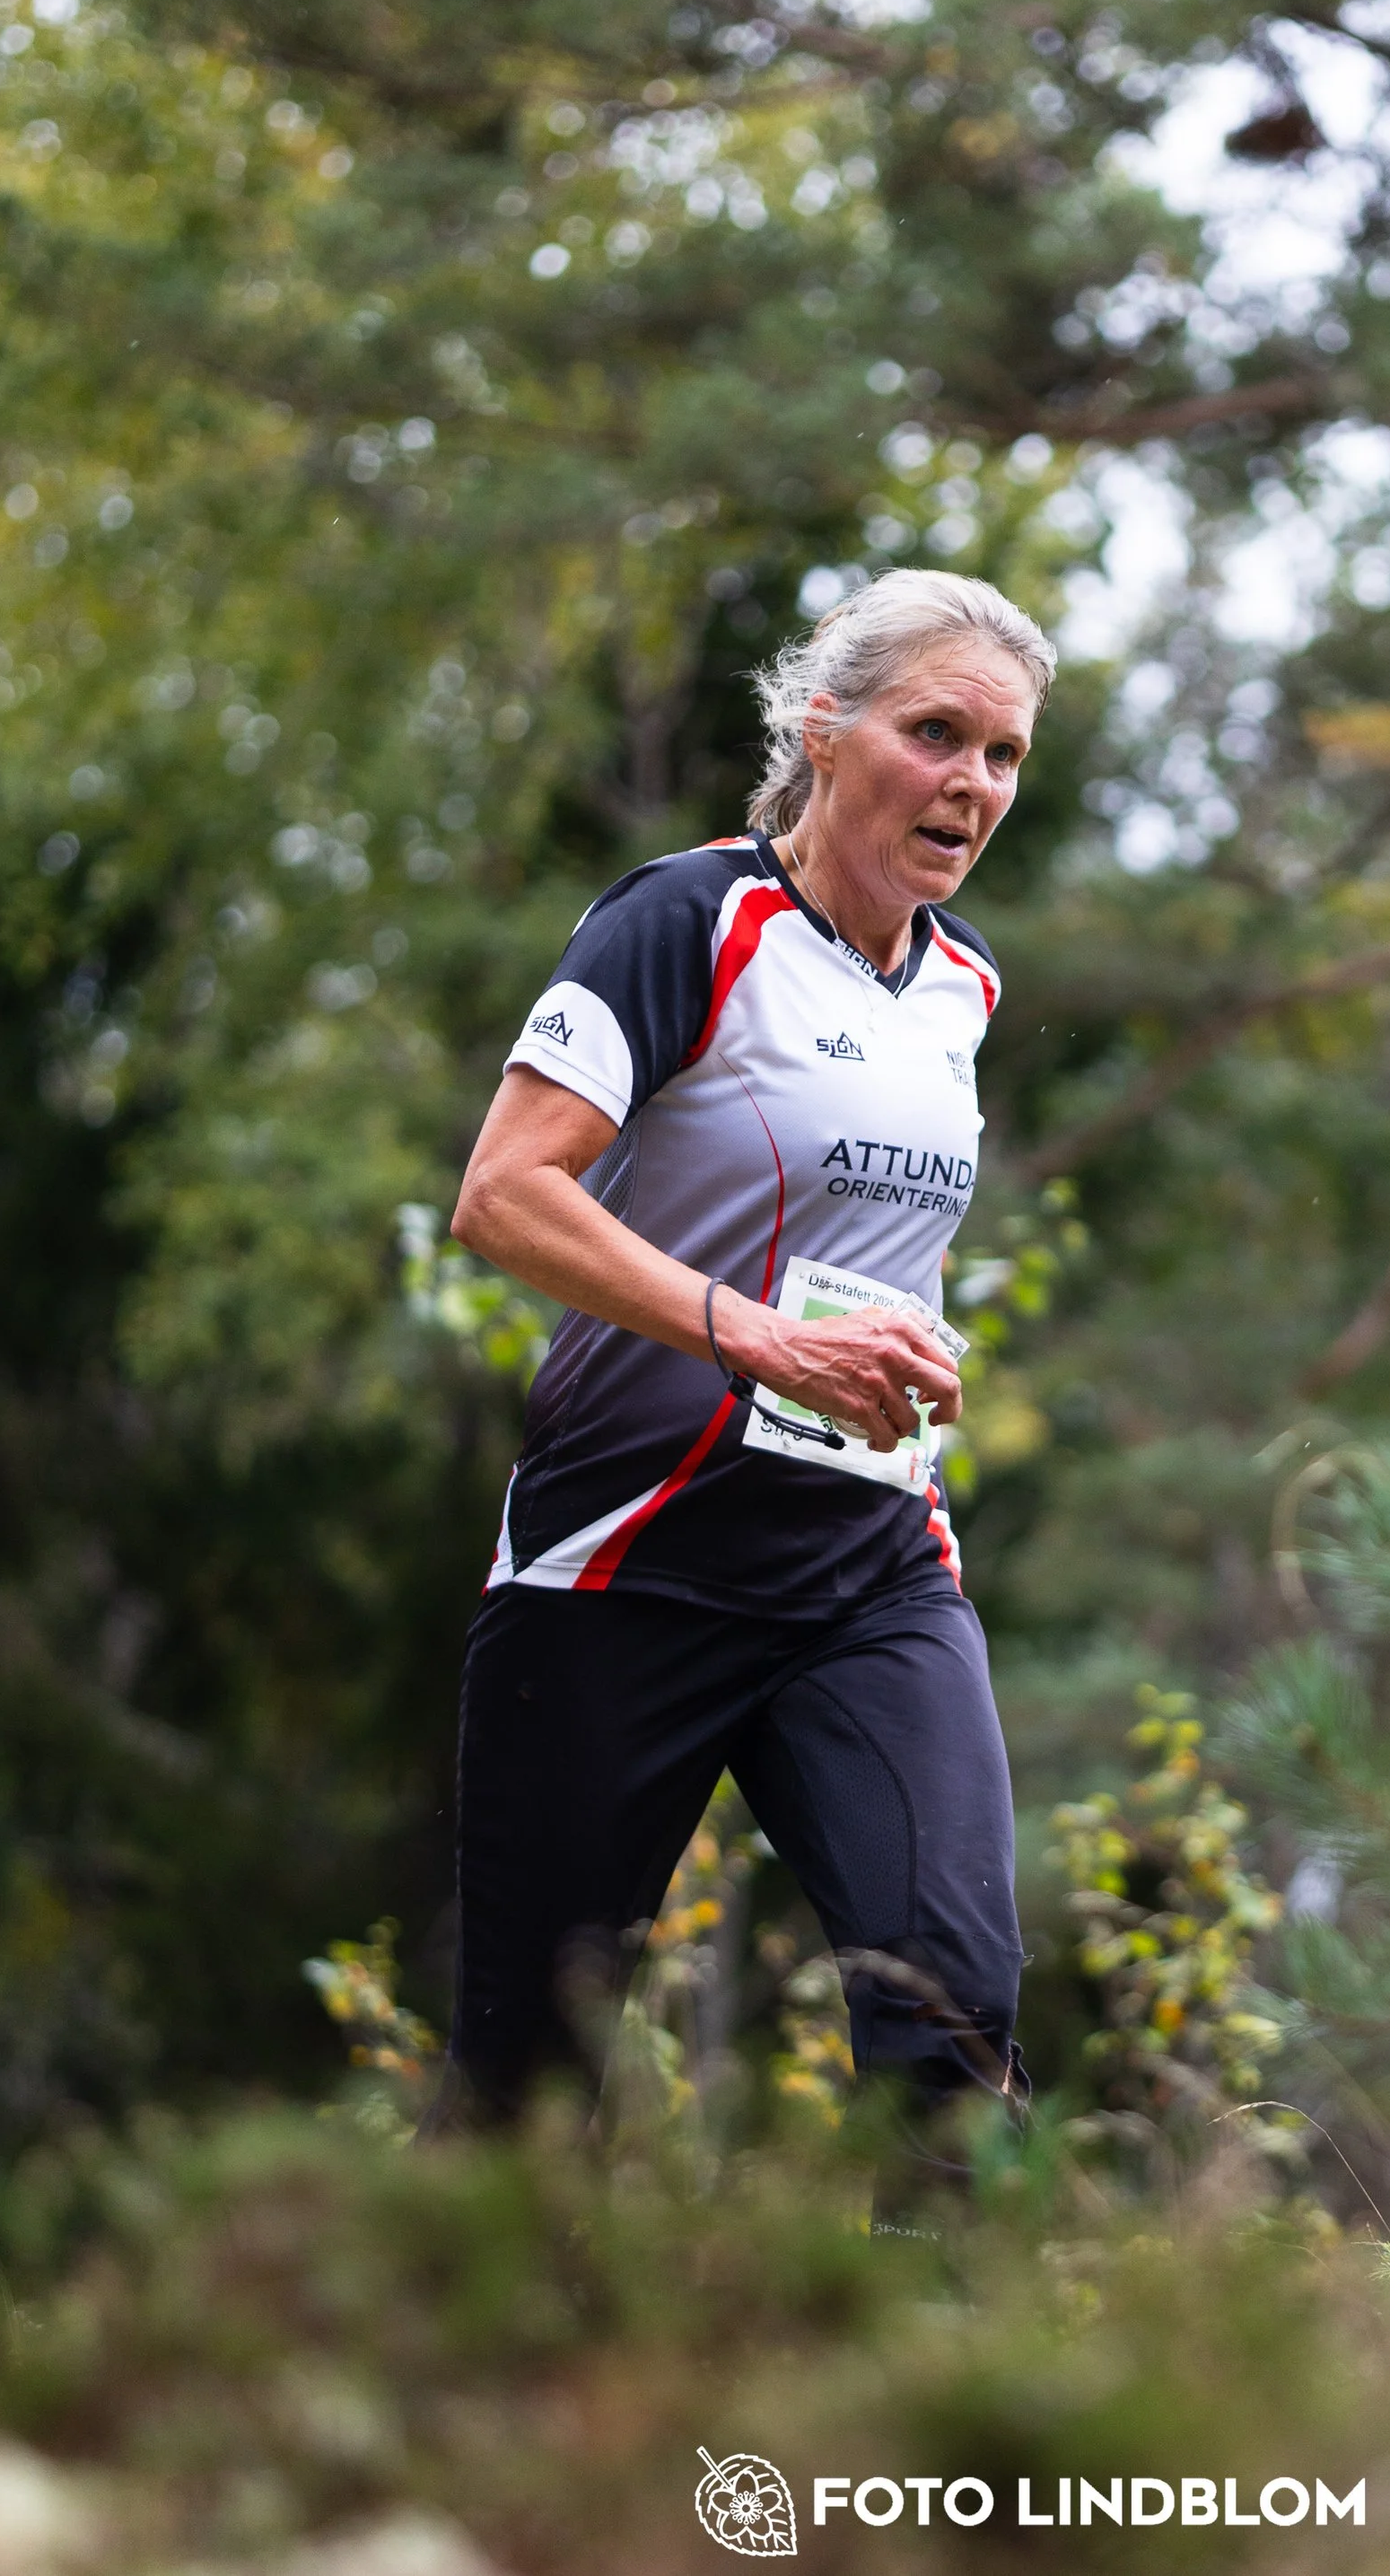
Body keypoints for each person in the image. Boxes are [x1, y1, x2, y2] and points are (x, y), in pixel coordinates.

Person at [435, 568, 1053, 2151]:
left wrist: (897, 1356)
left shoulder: (965, 985)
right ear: (824, 729)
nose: (972, 783)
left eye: (1002, 754)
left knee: (952, 2014)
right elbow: (504, 1194)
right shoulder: (688, 922)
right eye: (937, 734)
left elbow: (869, 1235)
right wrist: (759, 1336)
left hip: (867, 1570)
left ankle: (924, 2323)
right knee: (526, 2101)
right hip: (627, 1562)